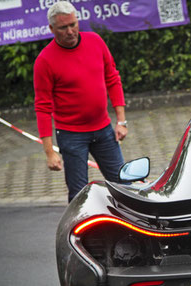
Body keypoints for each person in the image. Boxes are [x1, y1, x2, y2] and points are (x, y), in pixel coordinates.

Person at [34, 1, 128, 202]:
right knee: (79, 195)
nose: (70, 31)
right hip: (71, 135)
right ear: (51, 29)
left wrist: (121, 121)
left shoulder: (95, 41)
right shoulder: (45, 61)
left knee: (123, 185)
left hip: (103, 130)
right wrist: (49, 152)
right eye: (63, 27)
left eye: (73, 24)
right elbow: (42, 107)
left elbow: (112, 78)